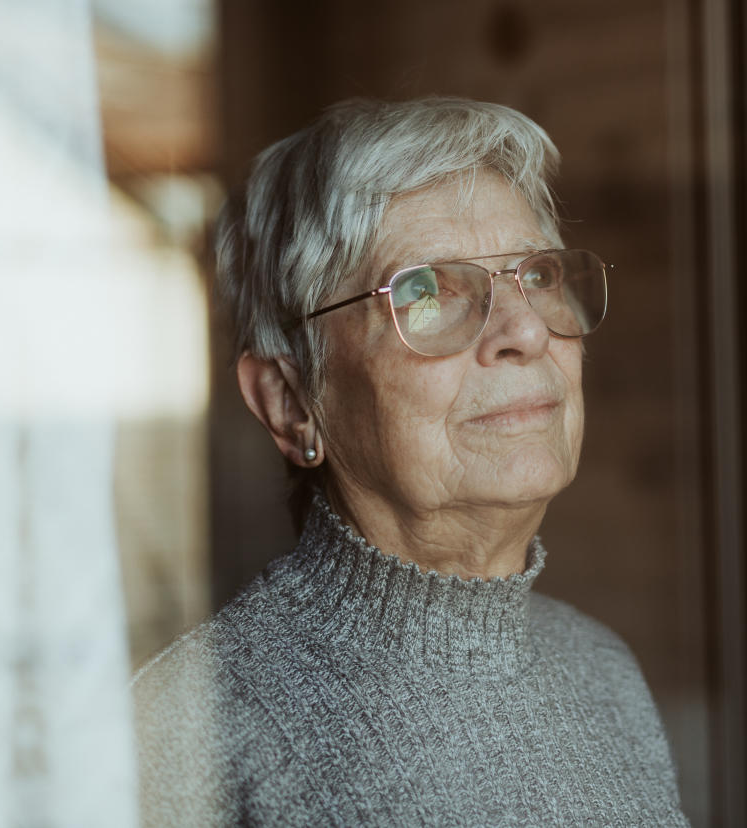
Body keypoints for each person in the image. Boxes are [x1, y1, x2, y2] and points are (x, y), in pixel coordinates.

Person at [132, 96, 689, 827]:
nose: (524, 329)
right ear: (290, 400)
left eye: (539, 276)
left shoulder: (601, 668)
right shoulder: (190, 729)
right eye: (427, 291)